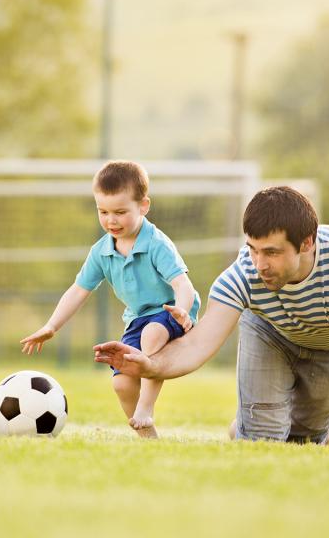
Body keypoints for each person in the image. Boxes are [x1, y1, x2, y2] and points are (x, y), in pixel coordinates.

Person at [94, 185, 329, 446]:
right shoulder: (243, 274)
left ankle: (297, 430)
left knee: (304, 439)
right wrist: (147, 364)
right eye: (253, 250)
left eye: (271, 252)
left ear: (306, 243)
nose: (260, 264)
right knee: (261, 442)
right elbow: (196, 345)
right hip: (270, 333)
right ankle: (252, 426)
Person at [20, 160, 200, 439]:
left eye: (120, 212)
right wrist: (51, 326)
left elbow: (183, 284)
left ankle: (146, 408)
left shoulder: (156, 244)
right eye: (102, 212)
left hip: (170, 313)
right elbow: (78, 290)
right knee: (122, 385)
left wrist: (183, 310)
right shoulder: (101, 251)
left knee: (152, 334)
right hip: (137, 320)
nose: (111, 221)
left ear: (143, 206)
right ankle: (147, 436)